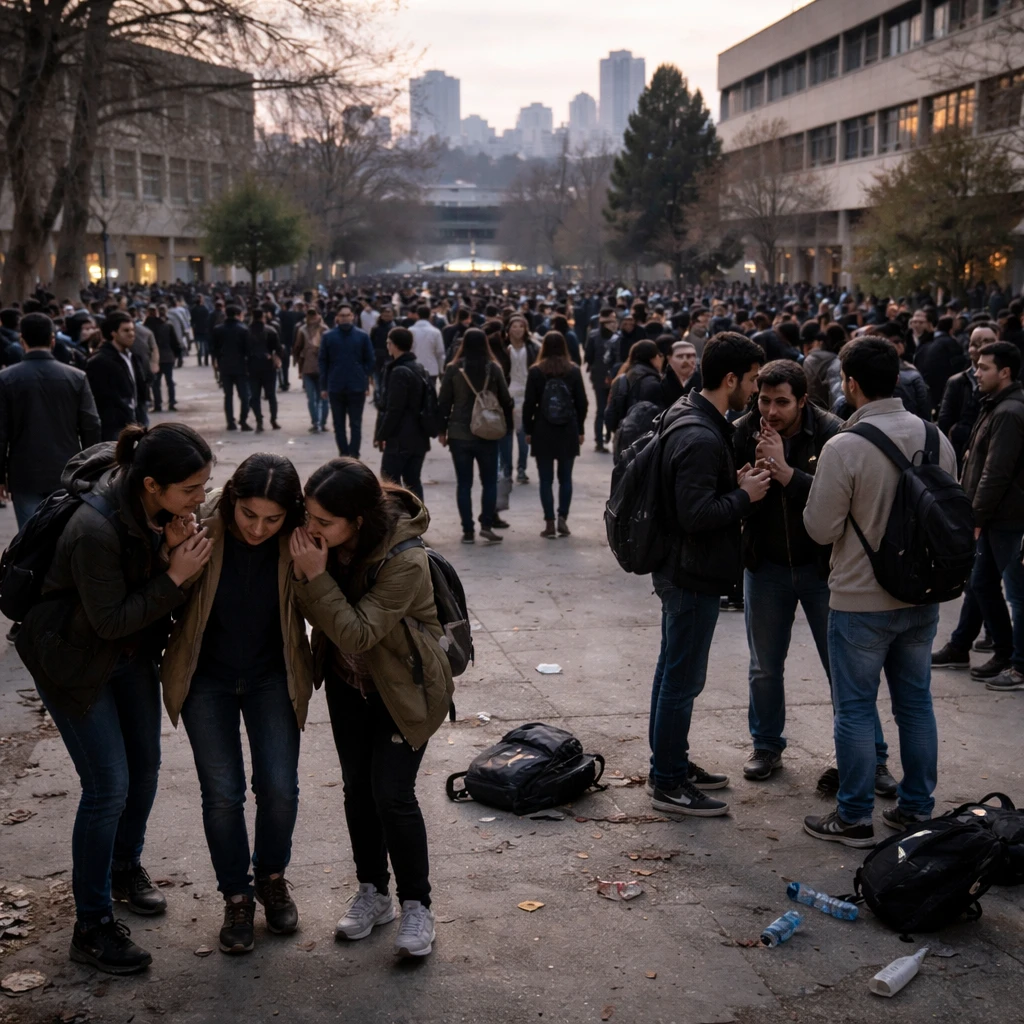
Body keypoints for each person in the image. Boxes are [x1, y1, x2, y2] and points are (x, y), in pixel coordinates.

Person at [15, 424, 214, 973]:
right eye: (192, 489)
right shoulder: (93, 529)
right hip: (73, 659)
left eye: (205, 485)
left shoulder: (151, 509)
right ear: (152, 484)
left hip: (128, 653)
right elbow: (109, 620)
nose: (201, 498)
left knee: (145, 768)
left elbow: (142, 609)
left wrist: (171, 555)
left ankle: (124, 867)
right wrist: (175, 573)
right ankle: (92, 925)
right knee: (108, 787)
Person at [288, 459, 454, 958]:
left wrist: (314, 577)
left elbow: (357, 631)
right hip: (347, 683)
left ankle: (417, 904)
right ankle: (373, 892)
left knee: (392, 794)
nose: (310, 529)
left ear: (357, 521)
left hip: (405, 688)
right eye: (308, 516)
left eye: (323, 522)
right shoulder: (326, 542)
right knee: (358, 789)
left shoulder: (405, 559)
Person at [803, 338, 957, 847]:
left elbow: (821, 528)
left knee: (854, 708)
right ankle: (916, 810)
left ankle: (853, 817)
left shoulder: (844, 446)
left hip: (860, 601)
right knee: (915, 705)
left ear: (849, 382)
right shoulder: (937, 439)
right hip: (922, 596)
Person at [161, 454, 312, 955]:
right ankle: (237, 895)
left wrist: (315, 573)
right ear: (231, 502)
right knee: (223, 794)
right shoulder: (199, 532)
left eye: (272, 519)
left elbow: (319, 607)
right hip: (208, 680)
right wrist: (172, 562)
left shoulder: (296, 543)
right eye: (249, 514)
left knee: (279, 788)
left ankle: (271, 877)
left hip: (274, 676)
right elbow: (166, 603)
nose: (258, 528)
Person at [731, 361, 878, 783]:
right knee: (764, 667)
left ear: (802, 400)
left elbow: (843, 501)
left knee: (844, 668)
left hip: (822, 569)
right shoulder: (744, 431)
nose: (771, 412)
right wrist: (740, 485)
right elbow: (727, 494)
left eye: (782, 402)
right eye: (764, 400)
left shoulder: (834, 433)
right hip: (766, 566)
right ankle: (766, 745)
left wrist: (788, 473)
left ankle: (870, 755)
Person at [647, 333, 770, 818]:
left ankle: (670, 763)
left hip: (680, 567)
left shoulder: (691, 413)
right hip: (689, 571)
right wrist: (745, 497)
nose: (756, 393)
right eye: (755, 382)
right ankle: (669, 782)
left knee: (671, 673)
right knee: (681, 679)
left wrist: (734, 485)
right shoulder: (699, 433)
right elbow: (695, 513)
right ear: (731, 379)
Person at [955, 341, 1024, 692]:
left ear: (1005, 372)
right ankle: (1005, 651)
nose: (977, 372)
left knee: (1017, 593)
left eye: (984, 367)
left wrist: (976, 516)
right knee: (981, 584)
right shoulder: (997, 404)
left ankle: (1020, 665)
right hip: (997, 515)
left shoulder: (1010, 411)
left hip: (1009, 518)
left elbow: (996, 472)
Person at [0, 312, 101, 527]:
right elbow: (91, 424)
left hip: (24, 472)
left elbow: (1, 432)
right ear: (52, 340)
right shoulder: (76, 377)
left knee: (30, 539)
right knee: (63, 535)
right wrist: (91, 469)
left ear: (22, 341)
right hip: (68, 469)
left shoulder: (6, 379)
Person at [438, 328, 513, 545]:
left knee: (464, 484)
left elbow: (444, 402)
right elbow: (507, 400)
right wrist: (505, 426)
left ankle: (468, 530)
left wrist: (442, 430)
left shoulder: (453, 369)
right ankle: (487, 524)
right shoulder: (494, 368)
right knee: (489, 482)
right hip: (487, 432)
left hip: (459, 434)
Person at [521, 331, 588, 538]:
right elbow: (582, 402)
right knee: (565, 478)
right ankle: (563, 519)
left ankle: (549, 522)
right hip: (568, 429)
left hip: (543, 429)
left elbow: (529, 404)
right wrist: (581, 429)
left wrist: (529, 430)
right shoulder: (573, 371)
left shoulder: (536, 371)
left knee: (545, 480)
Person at [374, 327, 431, 501]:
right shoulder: (419, 368)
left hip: (400, 437)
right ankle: (418, 519)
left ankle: (396, 521)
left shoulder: (398, 371)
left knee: (390, 481)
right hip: (419, 435)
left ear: (394, 345)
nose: (387, 346)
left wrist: (381, 434)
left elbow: (394, 409)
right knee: (413, 480)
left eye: (388, 343)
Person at [319, 304, 375, 459]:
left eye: (347, 315)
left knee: (355, 423)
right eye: (341, 316)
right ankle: (344, 453)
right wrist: (323, 386)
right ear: (337, 317)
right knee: (338, 424)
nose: (344, 318)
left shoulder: (362, 336)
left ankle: (354, 453)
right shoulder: (328, 336)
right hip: (336, 386)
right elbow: (323, 362)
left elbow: (370, 359)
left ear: (352, 317)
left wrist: (363, 376)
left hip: (356, 386)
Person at [86, 311, 149, 443]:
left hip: (135, 422)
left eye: (132, 329)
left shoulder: (132, 357)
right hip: (114, 428)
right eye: (126, 330)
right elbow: (100, 399)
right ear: (113, 333)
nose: (131, 334)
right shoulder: (100, 361)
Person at [500, 315, 538, 486]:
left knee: (523, 433)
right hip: (507, 394)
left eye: (521, 327)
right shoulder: (502, 348)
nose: (517, 330)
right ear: (508, 329)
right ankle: (506, 469)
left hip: (526, 393)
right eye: (514, 327)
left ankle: (521, 468)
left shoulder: (532, 348)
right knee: (506, 434)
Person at [604, 339, 665, 441]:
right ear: (653, 358)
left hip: (623, 434)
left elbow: (610, 411)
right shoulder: (652, 383)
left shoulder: (625, 375)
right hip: (642, 439)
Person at [915, 314, 968, 418]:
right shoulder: (950, 342)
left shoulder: (928, 341)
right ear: (951, 328)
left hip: (928, 386)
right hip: (943, 385)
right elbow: (959, 366)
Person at [210, 305, 253, 431]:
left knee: (228, 395)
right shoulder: (243, 330)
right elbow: (248, 351)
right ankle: (243, 420)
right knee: (245, 396)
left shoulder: (218, 329)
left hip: (225, 367)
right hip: (241, 367)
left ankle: (230, 422)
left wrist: (216, 362)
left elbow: (214, 349)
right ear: (237, 314)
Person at [583, 307, 619, 452]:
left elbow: (588, 358)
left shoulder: (593, 336)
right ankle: (606, 436)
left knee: (601, 409)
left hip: (600, 377)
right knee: (610, 408)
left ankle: (601, 439)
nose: (614, 323)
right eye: (612, 320)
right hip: (612, 377)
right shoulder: (617, 337)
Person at [294, 306, 329, 433]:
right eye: (310, 315)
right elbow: (297, 349)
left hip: (322, 369)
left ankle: (321, 422)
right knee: (312, 398)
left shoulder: (325, 331)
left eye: (314, 315)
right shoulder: (302, 330)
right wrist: (299, 368)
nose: (312, 318)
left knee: (322, 398)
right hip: (308, 368)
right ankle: (316, 422)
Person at [247, 308, 282, 432]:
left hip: (252, 367)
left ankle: (259, 421)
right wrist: (275, 358)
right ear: (263, 317)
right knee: (271, 395)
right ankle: (273, 420)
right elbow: (279, 349)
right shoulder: (270, 330)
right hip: (268, 367)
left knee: (255, 396)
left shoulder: (247, 331)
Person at [146, 306, 180, 412]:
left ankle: (158, 405)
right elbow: (175, 342)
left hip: (155, 359)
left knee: (156, 383)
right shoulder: (167, 326)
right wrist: (177, 355)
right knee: (169, 381)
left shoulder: (147, 328)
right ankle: (172, 402)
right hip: (168, 357)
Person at [409, 304, 445, 388]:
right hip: (431, 369)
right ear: (430, 315)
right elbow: (440, 353)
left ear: (417, 315)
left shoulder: (410, 330)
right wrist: (441, 369)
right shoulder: (436, 332)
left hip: (414, 369)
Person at [661, 339, 700, 407]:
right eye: (680, 356)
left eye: (689, 356)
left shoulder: (702, 380)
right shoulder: (663, 382)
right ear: (669, 359)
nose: (685, 360)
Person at [190, 295, 211, 367]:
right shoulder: (205, 309)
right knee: (206, 347)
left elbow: (192, 321)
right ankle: (206, 361)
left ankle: (199, 361)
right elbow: (208, 319)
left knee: (199, 347)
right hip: (205, 330)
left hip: (197, 330)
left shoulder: (193, 309)